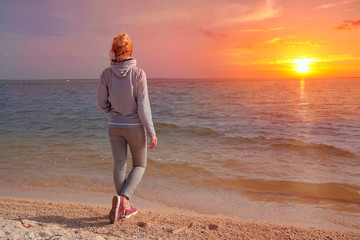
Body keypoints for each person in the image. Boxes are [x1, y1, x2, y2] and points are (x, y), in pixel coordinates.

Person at [96, 32, 157, 224]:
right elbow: (143, 106)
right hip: (134, 127)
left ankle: (122, 206)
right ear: (131, 50)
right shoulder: (139, 74)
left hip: (114, 125)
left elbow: (100, 103)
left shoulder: (106, 74)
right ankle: (124, 201)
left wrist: (110, 109)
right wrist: (151, 132)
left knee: (119, 164)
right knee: (140, 165)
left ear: (113, 51)